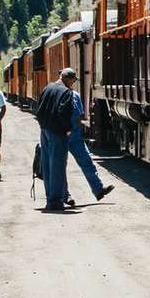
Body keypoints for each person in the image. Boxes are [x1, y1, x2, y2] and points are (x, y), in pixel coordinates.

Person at [33, 67, 113, 212]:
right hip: (63, 133)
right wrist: (67, 129)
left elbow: (39, 110)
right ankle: (57, 200)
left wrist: (44, 126)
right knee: (57, 166)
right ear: (69, 79)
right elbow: (66, 113)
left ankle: (58, 197)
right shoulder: (67, 92)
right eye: (73, 81)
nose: (73, 84)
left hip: (49, 130)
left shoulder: (47, 88)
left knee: (51, 165)